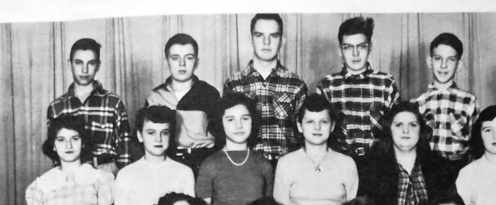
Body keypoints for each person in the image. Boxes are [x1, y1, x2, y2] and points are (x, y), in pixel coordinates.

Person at [273, 94, 358, 205]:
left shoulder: (346, 163)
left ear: (333, 125)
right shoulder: (286, 163)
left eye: (324, 122)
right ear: (299, 126)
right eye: (310, 122)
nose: (317, 127)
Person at [358, 101, 440, 205]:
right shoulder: (371, 167)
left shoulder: (437, 166)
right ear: (389, 129)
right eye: (399, 125)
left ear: (421, 130)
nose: (405, 131)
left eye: (412, 124)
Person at [196, 92, 273, 205]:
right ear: (220, 123)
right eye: (230, 119)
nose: (239, 126)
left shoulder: (263, 164)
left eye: (245, 119)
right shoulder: (210, 164)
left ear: (253, 122)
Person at [114, 106, 195, 205]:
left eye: (164, 133)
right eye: (151, 133)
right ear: (139, 135)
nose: (158, 139)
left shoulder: (184, 172)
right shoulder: (126, 174)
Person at [224, 14, 307, 164]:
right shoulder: (234, 84)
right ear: (251, 39)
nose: (266, 42)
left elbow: (304, 134)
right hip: (245, 166)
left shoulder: (296, 84)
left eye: (273, 36)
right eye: (259, 35)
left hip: (286, 165)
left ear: (282, 41)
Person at [318, 16, 399, 162]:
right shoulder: (327, 86)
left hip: (377, 165)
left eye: (361, 46)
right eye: (348, 47)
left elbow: (397, 130)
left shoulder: (386, 84)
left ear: (370, 48)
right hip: (338, 163)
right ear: (339, 50)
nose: (355, 54)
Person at [47, 37, 131, 174]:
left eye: (91, 63)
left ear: (98, 65)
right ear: (70, 64)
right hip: (72, 177)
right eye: (78, 63)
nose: (84, 70)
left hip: (106, 173)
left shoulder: (113, 103)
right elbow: (55, 153)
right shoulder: (57, 107)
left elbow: (125, 150)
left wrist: (121, 178)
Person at [145, 33, 223, 174]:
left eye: (189, 58)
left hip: (203, 164)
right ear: (166, 62)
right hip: (167, 164)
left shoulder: (209, 94)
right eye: (175, 58)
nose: (182, 64)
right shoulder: (155, 97)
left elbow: (221, 137)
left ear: (197, 62)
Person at [414, 32, 479, 193]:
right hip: (426, 171)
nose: (443, 66)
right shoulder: (418, 103)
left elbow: (478, 147)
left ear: (459, 64)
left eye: (450, 59)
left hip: (458, 170)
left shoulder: (469, 101)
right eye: (438, 59)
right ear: (430, 62)